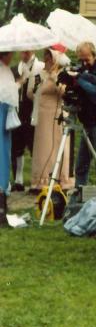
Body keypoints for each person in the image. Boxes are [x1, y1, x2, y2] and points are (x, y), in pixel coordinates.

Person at [28, 45, 73, 194]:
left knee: (59, 145)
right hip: (42, 115)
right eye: (45, 56)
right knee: (43, 147)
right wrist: (37, 91)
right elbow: (30, 93)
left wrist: (54, 77)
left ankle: (60, 179)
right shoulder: (39, 73)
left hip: (58, 113)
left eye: (49, 57)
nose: (46, 59)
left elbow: (64, 92)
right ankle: (41, 181)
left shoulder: (62, 74)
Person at [67, 41, 96, 189]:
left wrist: (79, 79)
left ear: (94, 55)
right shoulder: (82, 69)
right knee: (81, 164)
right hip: (86, 122)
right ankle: (79, 193)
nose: (84, 63)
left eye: (87, 59)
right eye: (81, 60)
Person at [10, 50, 44, 191]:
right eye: (22, 51)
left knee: (34, 147)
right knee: (16, 147)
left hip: (33, 112)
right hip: (17, 113)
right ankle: (18, 180)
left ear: (33, 50)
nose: (23, 54)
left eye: (27, 51)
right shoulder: (14, 70)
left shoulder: (40, 68)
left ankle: (36, 181)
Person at [0, 50, 18, 226]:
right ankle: (2, 189)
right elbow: (9, 95)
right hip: (3, 113)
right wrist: (19, 83)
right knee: (3, 152)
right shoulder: (4, 70)